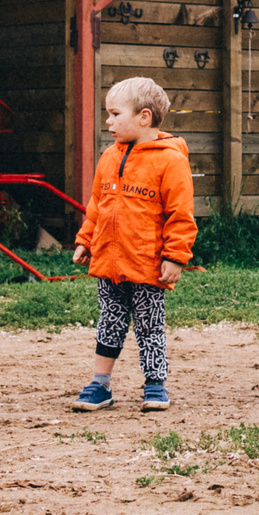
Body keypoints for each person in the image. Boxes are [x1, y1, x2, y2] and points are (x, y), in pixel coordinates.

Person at [71, 77, 197, 413]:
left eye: (114, 114)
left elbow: (181, 214)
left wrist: (176, 256)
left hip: (147, 263)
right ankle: (100, 386)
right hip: (109, 263)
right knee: (109, 321)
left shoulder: (170, 161)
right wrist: (86, 239)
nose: (108, 122)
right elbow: (97, 205)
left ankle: (155, 385)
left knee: (149, 325)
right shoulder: (109, 157)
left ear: (144, 117)